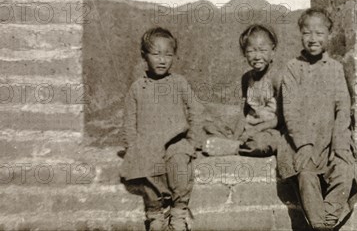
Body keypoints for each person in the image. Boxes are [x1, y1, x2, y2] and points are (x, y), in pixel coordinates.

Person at [277, 9, 357, 231]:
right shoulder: (293, 68)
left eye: (319, 33)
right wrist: (303, 144)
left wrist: (340, 145)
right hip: (300, 142)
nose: (313, 39)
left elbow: (343, 108)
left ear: (328, 35)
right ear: (300, 35)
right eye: (307, 33)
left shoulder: (335, 69)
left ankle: (324, 224)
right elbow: (290, 110)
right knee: (306, 175)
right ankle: (321, 226)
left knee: (344, 171)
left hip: (331, 141)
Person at [120, 27, 203, 231]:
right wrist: (132, 146)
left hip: (177, 141)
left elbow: (196, 109)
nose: (162, 60)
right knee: (145, 166)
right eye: (156, 54)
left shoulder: (179, 82)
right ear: (144, 56)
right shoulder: (138, 87)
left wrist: (193, 141)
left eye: (168, 54)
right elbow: (129, 121)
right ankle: (155, 213)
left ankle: (178, 212)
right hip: (148, 142)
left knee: (180, 165)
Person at [203, 24, 282, 157]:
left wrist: (256, 129)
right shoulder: (247, 78)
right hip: (250, 127)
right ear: (244, 53)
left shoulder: (277, 77)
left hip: (271, 129)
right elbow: (244, 111)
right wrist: (238, 134)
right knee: (209, 125)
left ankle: (234, 148)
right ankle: (237, 144)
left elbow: (283, 118)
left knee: (261, 144)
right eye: (251, 51)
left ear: (272, 51)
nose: (257, 57)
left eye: (262, 50)